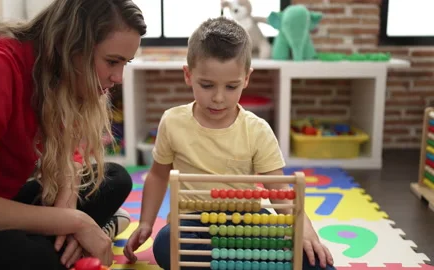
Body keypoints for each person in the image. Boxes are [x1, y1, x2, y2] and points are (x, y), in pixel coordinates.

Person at [124, 17, 336, 270]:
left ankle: (235, 262)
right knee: (165, 244)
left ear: (246, 79)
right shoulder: (172, 122)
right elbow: (158, 175)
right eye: (206, 85)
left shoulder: (257, 129)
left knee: (309, 255)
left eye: (231, 86)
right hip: (192, 225)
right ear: (188, 75)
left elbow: (279, 189)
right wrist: (145, 222)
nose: (218, 98)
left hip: (246, 221)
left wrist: (306, 231)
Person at [0, 0, 146, 269]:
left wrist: (65, 211)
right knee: (37, 258)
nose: (118, 77)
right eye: (112, 61)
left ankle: (67, 244)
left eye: (125, 62)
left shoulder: (56, 77)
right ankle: (73, 244)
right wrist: (74, 221)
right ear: (71, 47)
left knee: (115, 178)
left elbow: (71, 155)